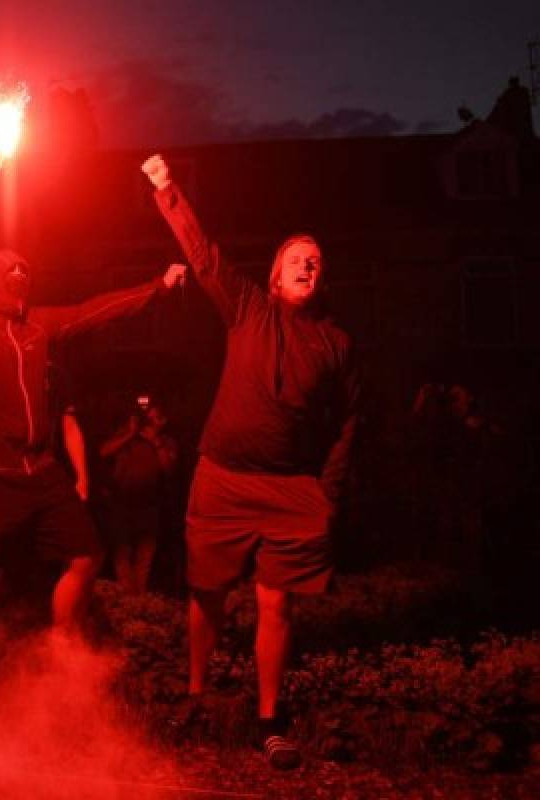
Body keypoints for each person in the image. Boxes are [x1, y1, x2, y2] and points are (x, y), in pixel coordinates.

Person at [142, 155, 361, 769]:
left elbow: (348, 423)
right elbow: (205, 254)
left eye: (316, 261)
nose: (309, 264)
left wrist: (328, 493)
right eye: (297, 258)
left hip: (291, 488)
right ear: (274, 274)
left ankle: (268, 720)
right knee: (206, 592)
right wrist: (167, 190)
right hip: (222, 475)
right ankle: (194, 696)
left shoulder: (336, 344)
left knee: (276, 602)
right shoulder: (246, 308)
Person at [0, 189, 186, 666]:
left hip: (37, 469)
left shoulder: (39, 327)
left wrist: (157, 288)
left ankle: (61, 648)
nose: (20, 279)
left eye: (25, 273)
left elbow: (95, 310)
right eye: (9, 272)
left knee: (87, 552)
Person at [99, 396, 178, 594]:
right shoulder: (125, 437)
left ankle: (140, 600)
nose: (151, 422)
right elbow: (103, 452)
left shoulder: (167, 442)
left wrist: (155, 443)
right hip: (121, 505)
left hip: (150, 507)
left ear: (164, 421)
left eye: (156, 418)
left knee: (144, 560)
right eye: (149, 418)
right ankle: (128, 600)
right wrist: (130, 434)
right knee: (122, 556)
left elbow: (169, 469)